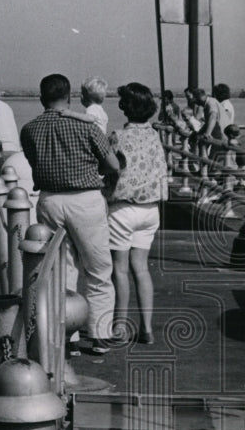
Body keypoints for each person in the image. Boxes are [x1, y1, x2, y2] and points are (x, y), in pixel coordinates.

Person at [21, 74, 120, 354]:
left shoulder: (29, 129)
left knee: (61, 269)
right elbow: (112, 164)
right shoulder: (85, 126)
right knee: (99, 269)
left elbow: (34, 162)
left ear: (41, 98)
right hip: (86, 200)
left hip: (50, 201)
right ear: (70, 97)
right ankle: (100, 335)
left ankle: (67, 336)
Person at [107, 83, 168, 346]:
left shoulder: (117, 136)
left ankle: (119, 326)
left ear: (125, 107)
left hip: (123, 209)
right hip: (151, 211)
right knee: (141, 269)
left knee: (119, 270)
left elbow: (109, 170)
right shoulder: (155, 136)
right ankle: (146, 329)